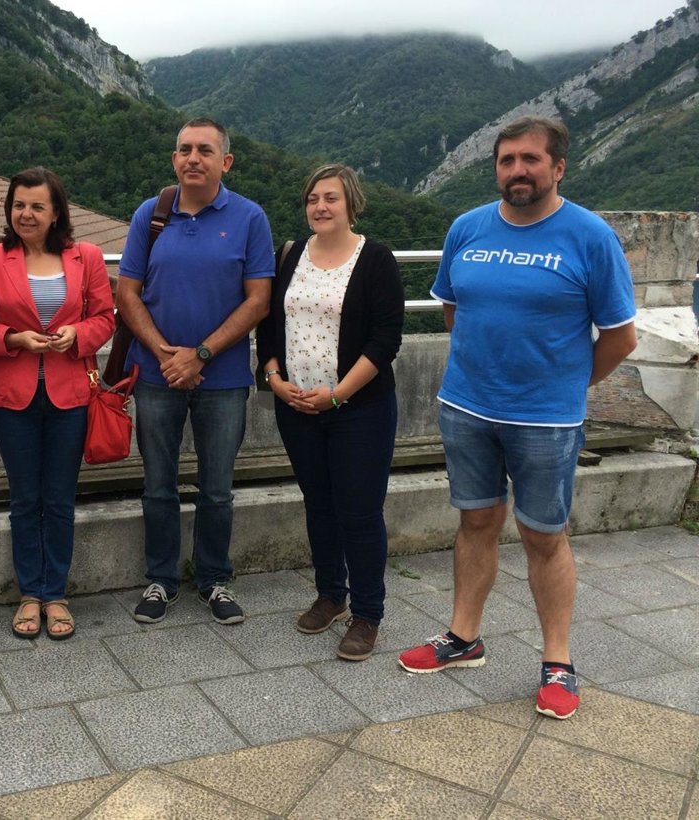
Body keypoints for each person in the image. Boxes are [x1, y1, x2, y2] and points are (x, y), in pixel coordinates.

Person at [399, 116, 637, 720]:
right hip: (466, 406)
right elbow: (454, 309)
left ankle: (557, 660)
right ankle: (463, 637)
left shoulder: (590, 236)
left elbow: (621, 337)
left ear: (558, 167)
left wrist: (564, 385)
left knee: (543, 535)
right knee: (476, 521)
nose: (517, 170)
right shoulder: (467, 228)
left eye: (530, 159)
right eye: (507, 160)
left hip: (545, 420)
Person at [115, 117, 274, 625]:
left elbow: (258, 300)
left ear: (225, 161)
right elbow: (127, 292)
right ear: (174, 158)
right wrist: (166, 354)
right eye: (184, 149)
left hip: (222, 379)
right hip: (156, 374)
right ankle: (161, 579)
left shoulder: (249, 218)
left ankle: (213, 579)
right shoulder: (151, 214)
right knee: (157, 483)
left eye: (205, 150)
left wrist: (199, 354)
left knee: (217, 488)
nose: (193, 158)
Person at [255, 164, 404, 661]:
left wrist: (338, 394)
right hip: (297, 406)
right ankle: (331, 595)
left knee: (359, 512)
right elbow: (269, 326)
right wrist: (274, 380)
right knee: (318, 504)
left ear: (351, 203)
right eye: (313, 198)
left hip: (360, 408)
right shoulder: (289, 254)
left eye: (331, 198)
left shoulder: (375, 259)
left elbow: (385, 340)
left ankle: (367, 613)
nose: (320, 207)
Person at [0, 167, 115, 639]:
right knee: (25, 498)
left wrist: (77, 334)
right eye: (19, 205)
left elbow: (105, 318)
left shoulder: (86, 256)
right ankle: (29, 593)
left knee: (60, 498)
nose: (26, 214)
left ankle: (56, 594)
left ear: (56, 213)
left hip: (71, 395)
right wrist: (14, 338)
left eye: (37, 206)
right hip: (13, 398)